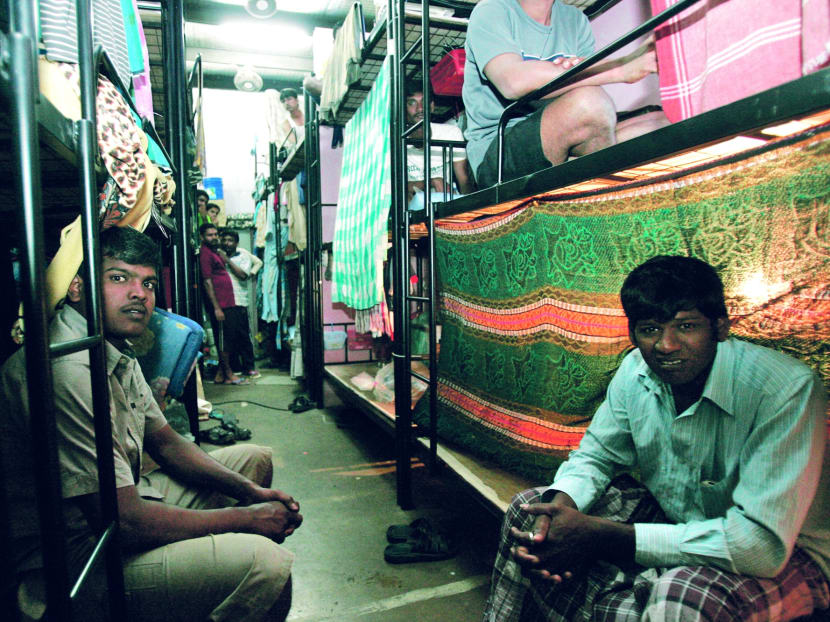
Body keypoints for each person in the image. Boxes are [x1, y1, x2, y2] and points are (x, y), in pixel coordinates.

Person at [483, 255, 830, 621]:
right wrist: (556, 514)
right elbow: (596, 457)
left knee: (681, 596)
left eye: (686, 326)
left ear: (721, 327)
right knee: (530, 512)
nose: (666, 345)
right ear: (633, 333)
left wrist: (604, 535)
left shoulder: (784, 390)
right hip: (680, 522)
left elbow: (759, 547)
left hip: (789, 553)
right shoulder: (636, 370)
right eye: (650, 329)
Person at [0, 226, 302, 622]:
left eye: (148, 283)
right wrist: (247, 518)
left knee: (252, 460)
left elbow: (167, 443)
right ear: (77, 287)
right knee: (267, 565)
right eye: (118, 278)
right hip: (75, 561)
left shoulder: (109, 346)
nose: (139, 294)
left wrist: (249, 492)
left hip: (119, 514)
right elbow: (125, 522)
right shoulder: (68, 369)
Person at [463, 0, 670, 189]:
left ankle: (581, 178)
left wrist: (565, 72)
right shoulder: (491, 10)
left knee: (659, 123)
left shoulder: (575, 20)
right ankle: (599, 196)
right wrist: (621, 68)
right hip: (498, 153)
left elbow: (586, 90)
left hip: (561, 131)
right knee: (589, 103)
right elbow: (513, 82)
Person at [404, 80, 475, 211]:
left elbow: (464, 179)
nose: (419, 108)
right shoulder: (395, 140)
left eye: (424, 102)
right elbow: (392, 187)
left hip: (444, 204)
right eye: (412, 103)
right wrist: (430, 181)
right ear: (404, 108)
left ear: (431, 106)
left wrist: (469, 209)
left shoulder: (450, 133)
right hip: (411, 210)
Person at [199, 222, 245, 385]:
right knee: (224, 339)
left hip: (227, 302)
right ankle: (228, 373)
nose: (214, 237)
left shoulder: (215, 252)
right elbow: (207, 281)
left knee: (228, 338)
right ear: (202, 237)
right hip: (221, 305)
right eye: (210, 235)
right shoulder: (205, 254)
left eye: (215, 234)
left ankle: (221, 373)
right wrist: (217, 308)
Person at [220, 228, 263, 379]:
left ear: (236, 242)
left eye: (230, 240)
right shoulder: (218, 254)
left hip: (240, 301)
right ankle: (234, 367)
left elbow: (243, 275)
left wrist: (227, 260)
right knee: (229, 337)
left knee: (243, 335)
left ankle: (249, 367)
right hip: (224, 302)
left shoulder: (242, 254)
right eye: (224, 240)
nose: (227, 243)